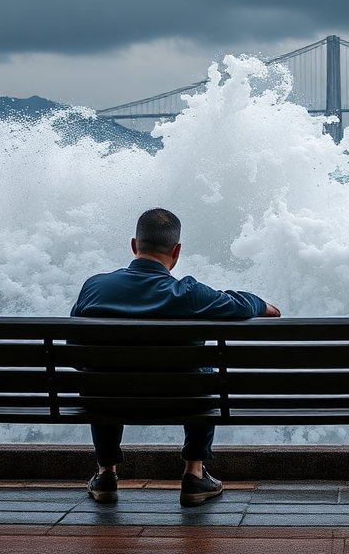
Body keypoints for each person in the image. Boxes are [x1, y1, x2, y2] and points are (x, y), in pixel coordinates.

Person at [71, 208, 281, 507]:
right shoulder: (188, 293)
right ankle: (194, 474)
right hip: (183, 401)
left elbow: (75, 351)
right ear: (177, 251)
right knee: (205, 374)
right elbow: (238, 304)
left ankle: (106, 473)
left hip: (106, 400)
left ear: (134, 245)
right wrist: (261, 304)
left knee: (99, 376)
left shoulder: (95, 288)